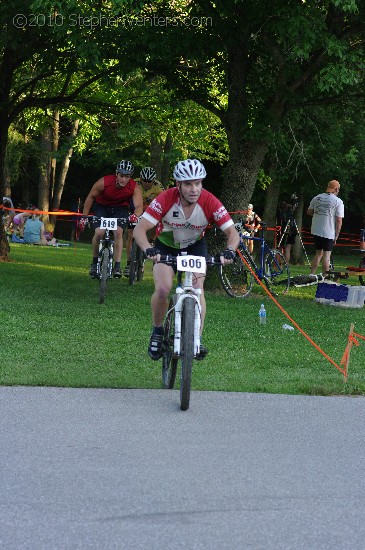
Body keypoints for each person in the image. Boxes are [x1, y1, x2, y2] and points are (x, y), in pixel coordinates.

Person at [133, 158, 240, 361]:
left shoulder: (209, 200)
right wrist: (148, 249)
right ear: (178, 185)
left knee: (198, 288)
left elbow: (232, 233)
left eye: (198, 183)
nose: (194, 189)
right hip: (165, 247)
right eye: (188, 184)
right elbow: (140, 229)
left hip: (195, 248)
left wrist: (230, 251)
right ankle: (157, 332)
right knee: (163, 288)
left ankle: (196, 339)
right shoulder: (165, 198)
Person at [79, 160, 143, 278]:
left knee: (118, 232)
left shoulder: (134, 187)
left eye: (127, 177)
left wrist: (135, 215)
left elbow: (139, 206)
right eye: (121, 176)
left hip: (120, 209)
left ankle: (117, 266)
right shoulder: (104, 182)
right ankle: (94, 263)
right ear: (116, 174)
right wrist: (84, 216)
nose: (124, 179)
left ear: (130, 177)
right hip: (102, 207)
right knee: (99, 233)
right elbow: (90, 197)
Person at [123, 166, 164, 277]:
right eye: (144, 180)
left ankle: (151, 240)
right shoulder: (134, 183)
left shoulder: (158, 186)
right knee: (131, 234)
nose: (146, 183)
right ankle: (129, 263)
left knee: (160, 221)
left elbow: (164, 201)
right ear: (140, 179)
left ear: (153, 180)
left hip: (150, 211)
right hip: (136, 209)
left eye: (149, 181)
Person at [307, 179, 344, 275]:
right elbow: (339, 220)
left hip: (315, 229)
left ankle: (312, 274)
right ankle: (325, 277)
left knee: (318, 254)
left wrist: (320, 213)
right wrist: (336, 236)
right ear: (336, 189)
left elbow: (309, 212)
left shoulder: (317, 198)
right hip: (328, 232)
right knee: (326, 256)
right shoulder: (338, 201)